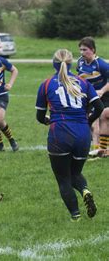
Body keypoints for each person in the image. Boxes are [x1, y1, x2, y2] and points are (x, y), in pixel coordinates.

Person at [35, 49, 103, 221]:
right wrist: (87, 121)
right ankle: (85, 190)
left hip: (60, 133)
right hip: (82, 133)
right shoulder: (83, 82)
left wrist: (46, 121)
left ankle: (76, 216)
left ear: (54, 63)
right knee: (75, 173)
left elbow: (40, 116)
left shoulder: (46, 84)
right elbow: (100, 108)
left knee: (63, 178)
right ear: (71, 63)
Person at [76, 37, 109, 156]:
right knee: (90, 123)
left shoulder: (101, 65)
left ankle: (98, 150)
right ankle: (98, 150)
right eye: (80, 50)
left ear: (93, 50)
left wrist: (101, 90)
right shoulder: (80, 62)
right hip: (88, 97)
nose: (82, 53)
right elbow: (79, 76)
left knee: (96, 123)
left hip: (103, 97)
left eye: (85, 50)